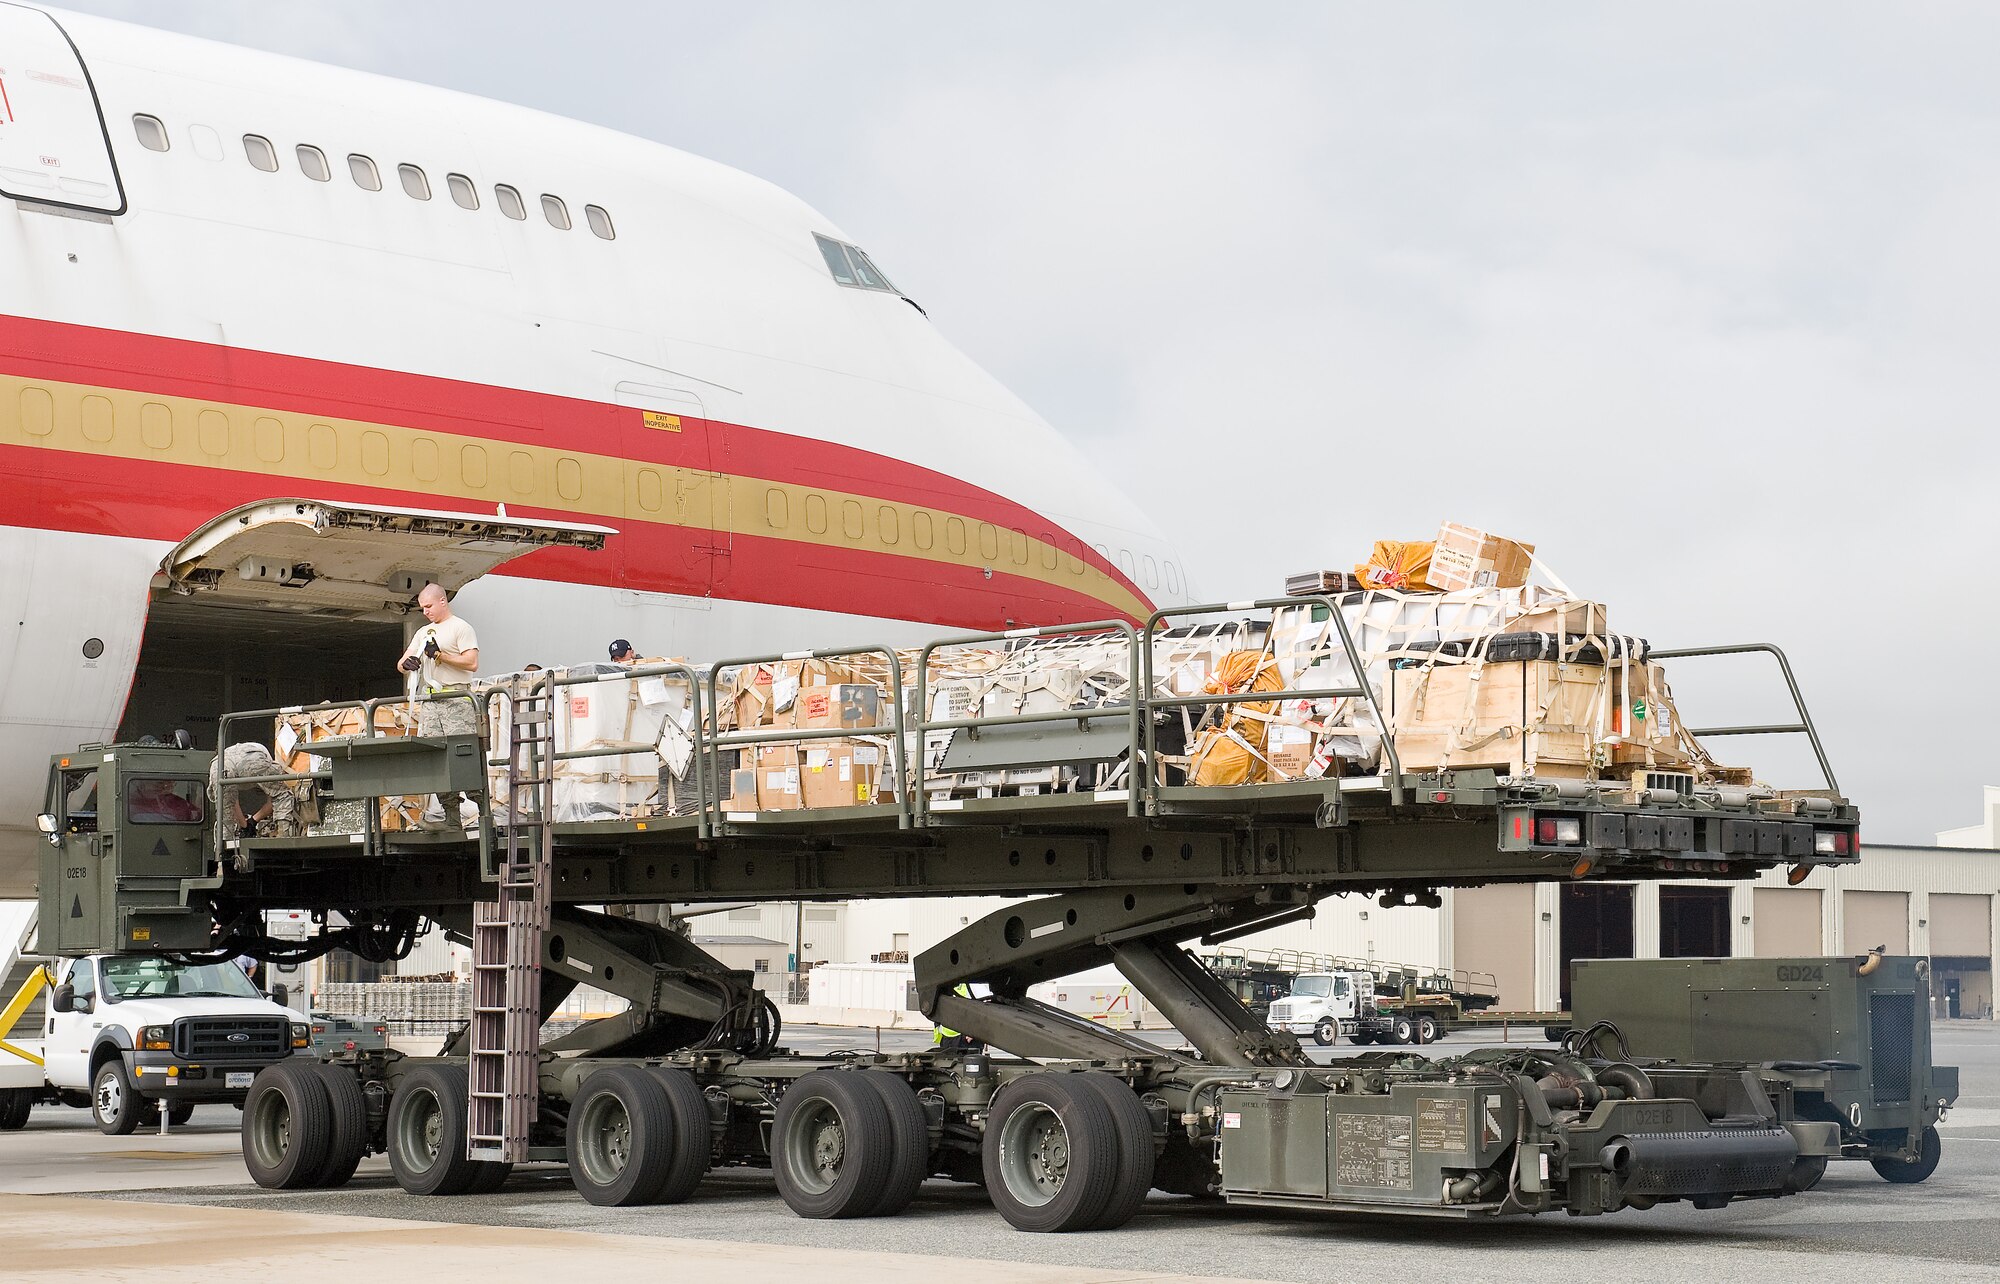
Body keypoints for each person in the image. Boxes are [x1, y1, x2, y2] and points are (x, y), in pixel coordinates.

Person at [396, 584, 481, 828]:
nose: (425, 611)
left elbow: (472, 662)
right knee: (435, 758)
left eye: (429, 606)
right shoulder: (424, 632)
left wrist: (441, 656)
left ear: (443, 601)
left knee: (463, 756)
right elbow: (403, 661)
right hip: (431, 700)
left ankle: (483, 813)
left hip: (456, 698)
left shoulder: (461, 627)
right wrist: (407, 663)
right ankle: (451, 817)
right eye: (422, 607)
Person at [128, 777, 200, 824]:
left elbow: (195, 814)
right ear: (142, 786)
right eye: (160, 783)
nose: (166, 786)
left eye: (171, 783)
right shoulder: (132, 805)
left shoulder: (179, 802)